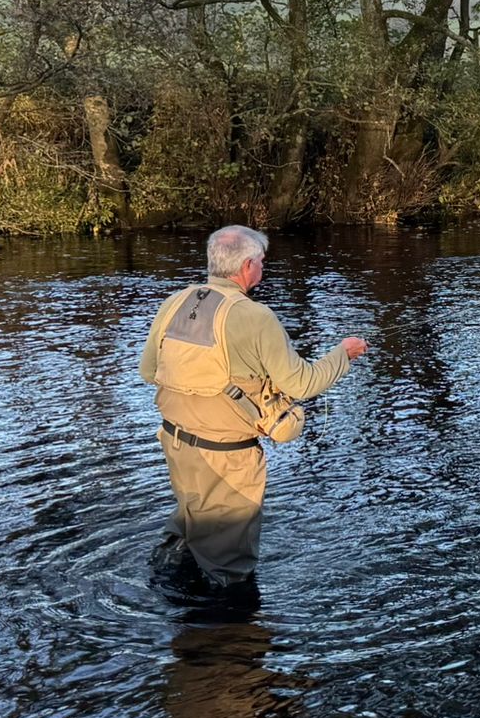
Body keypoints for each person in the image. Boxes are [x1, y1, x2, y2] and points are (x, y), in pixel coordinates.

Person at [141, 225, 367, 588]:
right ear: (247, 266)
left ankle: (170, 611)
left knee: (188, 529)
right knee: (229, 572)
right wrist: (343, 354)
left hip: (177, 445)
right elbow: (303, 383)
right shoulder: (255, 316)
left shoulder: (176, 302)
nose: (262, 267)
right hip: (228, 459)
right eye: (261, 261)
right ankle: (231, 639)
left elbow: (149, 371)